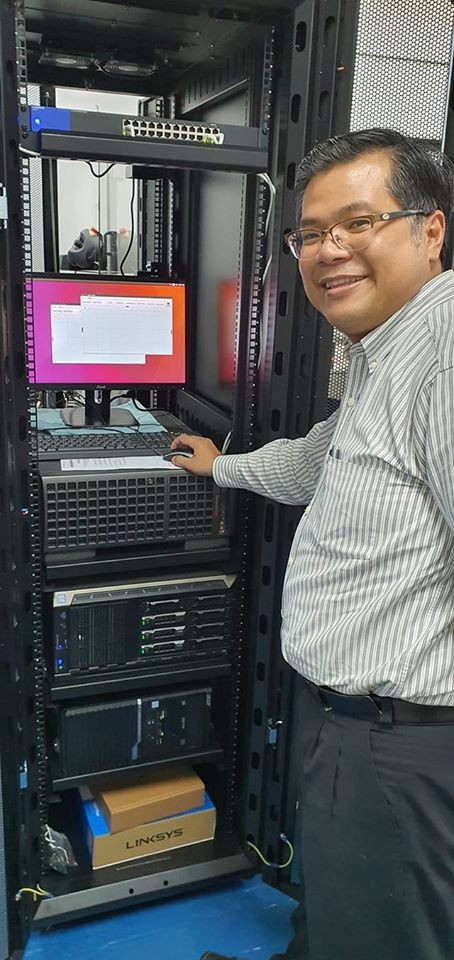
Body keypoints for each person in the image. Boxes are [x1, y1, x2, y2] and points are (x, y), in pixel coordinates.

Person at [171, 129, 454, 960]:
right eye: (311, 233)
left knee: (383, 936)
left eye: (358, 223)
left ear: (430, 229)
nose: (330, 250)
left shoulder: (443, 359)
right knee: (337, 906)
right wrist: (222, 467)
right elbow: (315, 460)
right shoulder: (387, 349)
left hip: (405, 739)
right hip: (354, 725)